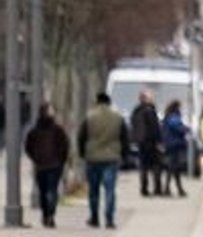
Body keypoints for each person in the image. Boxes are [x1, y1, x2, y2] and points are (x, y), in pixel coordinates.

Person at [77, 93, 126, 228]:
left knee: (93, 189)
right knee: (109, 189)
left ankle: (94, 217)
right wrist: (123, 154)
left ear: (97, 102)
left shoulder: (89, 117)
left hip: (92, 157)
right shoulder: (117, 118)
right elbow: (124, 137)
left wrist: (82, 153)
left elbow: (81, 136)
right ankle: (109, 218)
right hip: (111, 157)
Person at [25, 104, 69, 228]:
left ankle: (46, 215)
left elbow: (28, 147)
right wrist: (62, 160)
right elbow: (65, 146)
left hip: (41, 165)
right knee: (51, 190)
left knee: (44, 191)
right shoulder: (57, 130)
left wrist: (35, 158)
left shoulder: (35, 131)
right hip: (54, 165)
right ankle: (50, 214)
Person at [131, 90, 164, 196]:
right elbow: (155, 128)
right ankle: (157, 188)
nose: (152, 99)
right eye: (150, 97)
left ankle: (144, 188)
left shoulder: (136, 111)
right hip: (151, 143)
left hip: (141, 143)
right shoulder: (150, 111)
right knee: (156, 166)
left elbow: (134, 126)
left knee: (143, 166)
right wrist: (159, 141)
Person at [161, 100, 191, 197]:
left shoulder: (168, 116)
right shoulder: (173, 117)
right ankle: (172, 189)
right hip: (174, 144)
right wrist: (186, 129)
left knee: (174, 167)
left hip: (171, 144)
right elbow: (178, 128)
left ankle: (174, 189)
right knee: (173, 167)